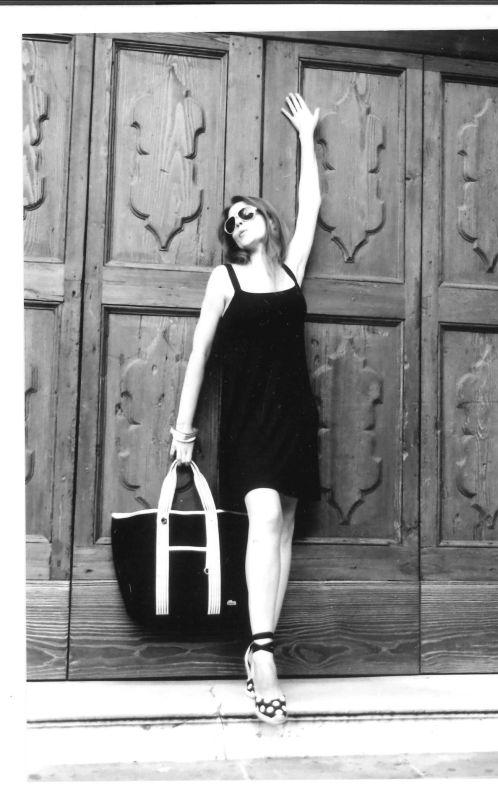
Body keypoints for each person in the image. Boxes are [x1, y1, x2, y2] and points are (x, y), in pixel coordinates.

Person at [170, 92, 321, 725]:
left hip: (294, 417)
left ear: (266, 220)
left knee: (283, 529)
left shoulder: (292, 271)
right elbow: (199, 355)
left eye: (246, 213)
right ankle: (263, 656)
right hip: (247, 420)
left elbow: (311, 206)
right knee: (264, 515)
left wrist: (307, 137)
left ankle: (261, 647)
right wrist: (183, 429)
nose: (237, 222)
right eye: (230, 222)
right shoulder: (223, 280)